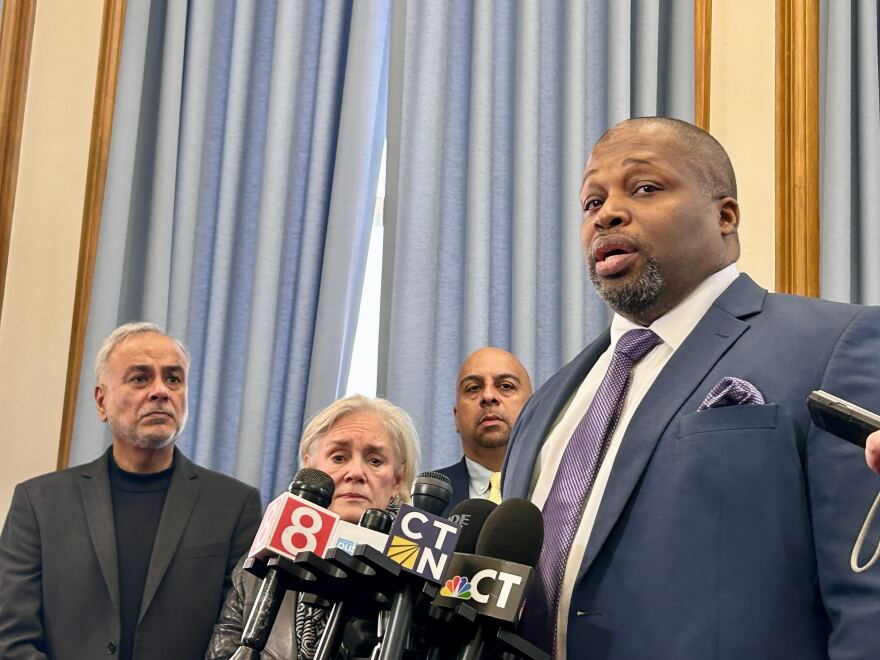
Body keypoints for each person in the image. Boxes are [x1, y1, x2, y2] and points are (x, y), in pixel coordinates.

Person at [502, 117, 880, 659]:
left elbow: (868, 597)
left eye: (645, 188)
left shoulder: (834, 345)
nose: (606, 213)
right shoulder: (545, 406)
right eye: (591, 203)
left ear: (725, 215)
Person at [0, 322, 262, 660]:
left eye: (174, 379)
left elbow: (238, 638)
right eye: (140, 378)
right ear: (101, 401)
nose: (160, 391)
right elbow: (10, 637)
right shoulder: (39, 503)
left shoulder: (235, 507)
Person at [206, 394, 420, 659]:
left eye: (375, 460)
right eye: (339, 457)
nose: (355, 472)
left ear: (397, 480)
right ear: (311, 469)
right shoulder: (258, 566)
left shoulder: (416, 574)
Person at [434, 347, 532, 514]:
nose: (488, 396)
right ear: (456, 417)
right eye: (473, 388)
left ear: (532, 409)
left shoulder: (562, 490)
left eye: (506, 386)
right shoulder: (424, 499)